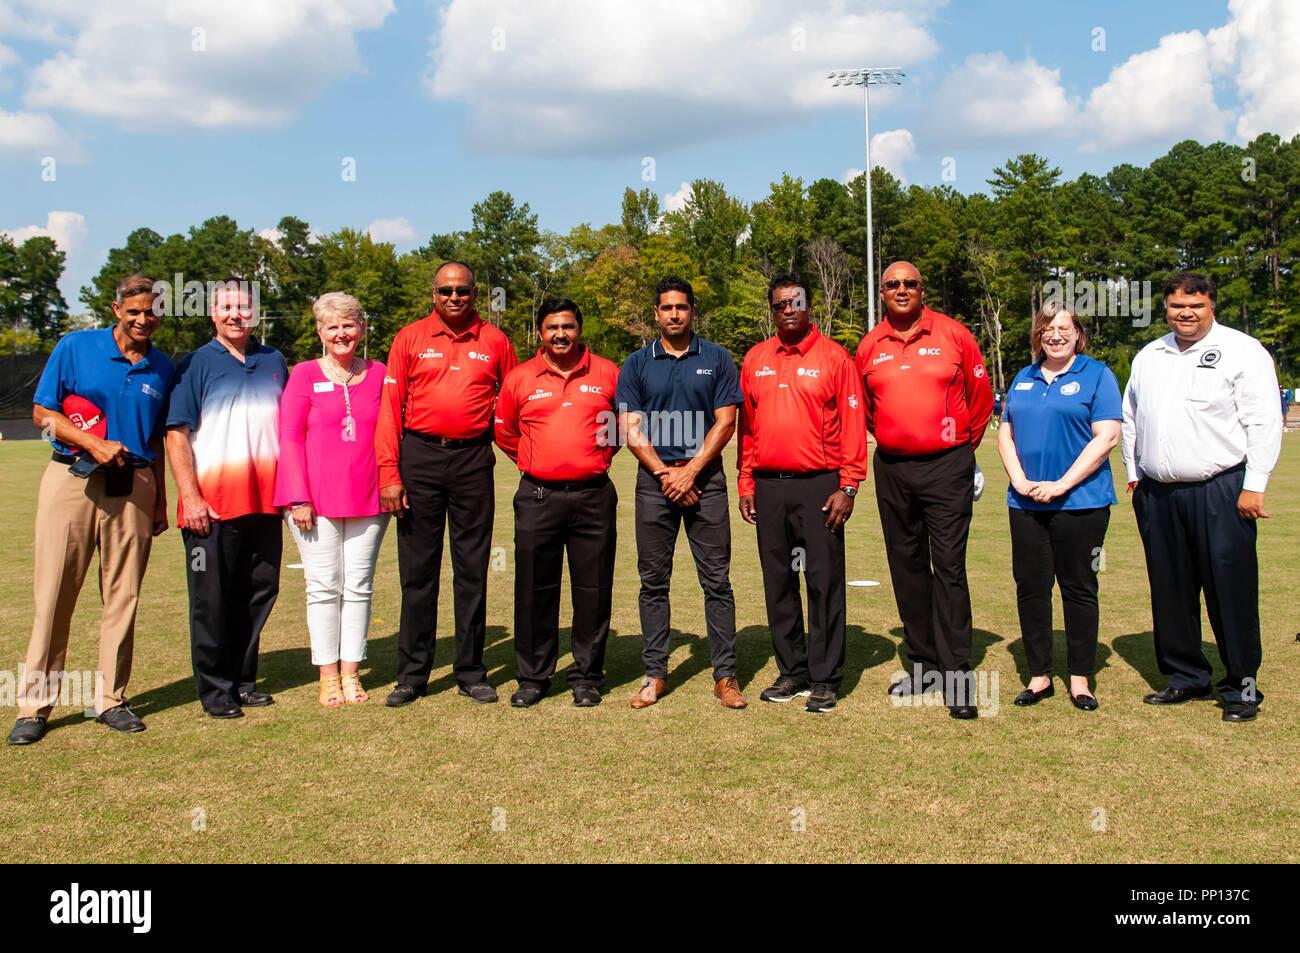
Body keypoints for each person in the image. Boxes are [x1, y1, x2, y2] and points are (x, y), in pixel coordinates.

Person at [8, 274, 173, 745]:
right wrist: (92, 443)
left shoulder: (163, 368)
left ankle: (111, 700)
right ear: (116, 307)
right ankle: (34, 707)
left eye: (153, 311)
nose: (143, 319)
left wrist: (160, 498)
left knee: (123, 597)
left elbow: (159, 441)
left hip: (135, 484)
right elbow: (43, 415)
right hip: (71, 479)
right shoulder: (75, 346)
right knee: (54, 595)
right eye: (135, 309)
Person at [1122, 271, 1282, 722]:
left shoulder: (1243, 351)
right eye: (1176, 306)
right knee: (1170, 589)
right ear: (1165, 308)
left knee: (1229, 589)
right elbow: (1130, 417)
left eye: (1195, 305)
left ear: (1212, 304)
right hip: (1158, 494)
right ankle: (1186, 676)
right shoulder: (1149, 355)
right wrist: (1135, 475)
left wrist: (1255, 484)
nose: (1185, 313)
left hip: (1222, 490)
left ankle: (1241, 686)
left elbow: (1264, 422)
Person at [855, 260, 993, 719]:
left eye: (909, 283)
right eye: (892, 284)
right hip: (893, 468)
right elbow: (868, 410)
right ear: (881, 292)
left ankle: (956, 675)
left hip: (947, 466)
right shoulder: (869, 345)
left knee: (949, 567)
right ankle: (925, 664)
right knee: (907, 567)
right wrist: (899, 438)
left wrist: (957, 451)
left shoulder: (954, 334)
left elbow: (981, 400)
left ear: (921, 289)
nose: (901, 289)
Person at [376, 262, 517, 707]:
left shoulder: (495, 341)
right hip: (419, 456)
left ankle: (471, 671)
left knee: (472, 570)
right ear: (433, 293)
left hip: (474, 458)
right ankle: (412, 674)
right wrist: (389, 472)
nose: (454, 297)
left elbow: (512, 402)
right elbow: (389, 407)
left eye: (462, 290)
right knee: (417, 573)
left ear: (475, 294)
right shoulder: (409, 337)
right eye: (446, 290)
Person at [737, 273, 869, 713]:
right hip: (770, 486)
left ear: (809, 307)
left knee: (823, 582)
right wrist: (746, 481)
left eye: (795, 302)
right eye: (779, 304)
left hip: (820, 486)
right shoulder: (755, 359)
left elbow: (853, 429)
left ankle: (825, 677)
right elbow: (748, 430)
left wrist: (848, 485)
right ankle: (792, 669)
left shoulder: (835, 357)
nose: (787, 309)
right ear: (771, 311)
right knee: (778, 582)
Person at [618, 276, 746, 710]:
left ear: (693, 311)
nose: (674, 314)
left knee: (717, 582)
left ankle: (725, 676)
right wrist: (665, 475)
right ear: (655, 314)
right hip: (654, 485)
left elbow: (726, 422)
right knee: (653, 583)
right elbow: (629, 427)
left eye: (682, 307)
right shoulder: (636, 362)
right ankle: (656, 674)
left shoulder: (717, 357)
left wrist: (690, 472)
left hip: (705, 482)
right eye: (666, 308)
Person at [166, 277, 287, 719]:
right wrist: (190, 497)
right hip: (211, 508)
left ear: (255, 312)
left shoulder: (274, 360)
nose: (236, 314)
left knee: (258, 593)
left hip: (265, 504)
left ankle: (244, 680)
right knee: (212, 599)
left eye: (244, 306)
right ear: (212, 313)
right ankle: (216, 690)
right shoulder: (195, 364)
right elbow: (176, 435)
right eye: (227, 307)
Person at [494, 299, 620, 707]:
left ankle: (586, 675)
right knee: (534, 588)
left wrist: (589, 459)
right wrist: (539, 462)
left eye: (568, 326)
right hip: (538, 496)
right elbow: (506, 432)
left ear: (580, 329)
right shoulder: (519, 378)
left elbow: (620, 428)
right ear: (540, 333)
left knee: (593, 589)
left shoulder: (607, 372)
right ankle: (532, 676)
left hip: (593, 495)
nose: (560, 334)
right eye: (552, 328)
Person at [997, 301, 1121, 711]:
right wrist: (1018, 480)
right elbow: (1005, 432)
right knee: (1031, 589)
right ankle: (1039, 676)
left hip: (1081, 503)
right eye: (1047, 329)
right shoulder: (1023, 376)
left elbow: (1106, 438)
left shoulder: (1098, 375)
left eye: (1064, 328)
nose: (1055, 335)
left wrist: (1062, 484)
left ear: (1078, 335)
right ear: (1038, 336)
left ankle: (1081, 678)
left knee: (1079, 588)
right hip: (1027, 503)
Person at [275, 293, 389, 707]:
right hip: (313, 503)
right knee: (323, 588)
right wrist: (297, 497)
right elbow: (289, 438)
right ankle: (327, 676)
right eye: (332, 326)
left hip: (369, 497)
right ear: (320, 332)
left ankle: (351, 673)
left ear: (361, 328)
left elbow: (392, 432)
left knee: (358, 588)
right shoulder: (304, 374)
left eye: (349, 324)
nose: (342, 333)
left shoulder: (379, 373)